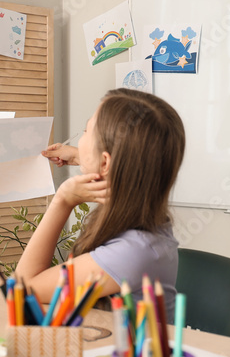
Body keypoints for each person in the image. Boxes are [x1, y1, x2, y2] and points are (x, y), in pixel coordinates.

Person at [18, 89, 185, 316]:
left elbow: (22, 288)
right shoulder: (148, 221)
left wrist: (63, 200)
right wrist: (83, 157)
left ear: (106, 162)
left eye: (86, 131)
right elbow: (128, 165)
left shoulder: (132, 252)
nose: (82, 136)